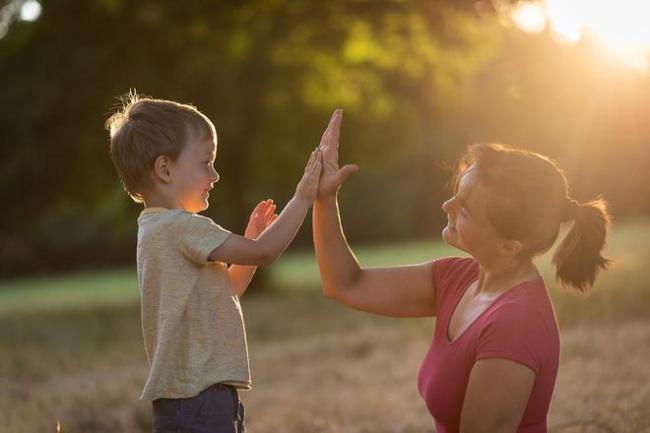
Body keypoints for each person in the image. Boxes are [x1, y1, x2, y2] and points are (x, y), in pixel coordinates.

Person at [312, 110, 612, 433]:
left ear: (510, 245)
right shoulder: (456, 278)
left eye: (464, 210)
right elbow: (346, 284)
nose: (447, 206)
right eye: (457, 191)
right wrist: (324, 197)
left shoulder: (517, 323)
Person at [105, 93, 322, 433]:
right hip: (199, 398)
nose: (215, 175)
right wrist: (303, 198)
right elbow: (265, 252)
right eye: (206, 162)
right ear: (165, 168)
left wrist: (250, 237)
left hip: (193, 398)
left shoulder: (156, 228)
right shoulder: (181, 227)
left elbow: (229, 288)